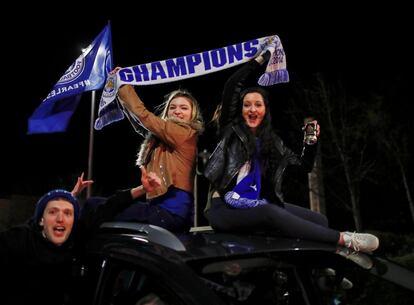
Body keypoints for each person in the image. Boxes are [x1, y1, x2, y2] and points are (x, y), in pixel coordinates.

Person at [203, 51, 379, 254]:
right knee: (270, 212)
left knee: (319, 219)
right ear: (240, 111)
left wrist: (310, 142)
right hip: (225, 209)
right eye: (247, 105)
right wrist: (258, 61)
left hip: (257, 204)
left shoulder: (271, 142)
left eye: (258, 105)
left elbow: (303, 166)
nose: (252, 109)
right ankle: (346, 240)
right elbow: (231, 86)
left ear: (265, 111)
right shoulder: (230, 131)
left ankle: (319, 266)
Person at [0, 168, 161, 305]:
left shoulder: (75, 235)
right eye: (53, 212)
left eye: (68, 213)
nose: (61, 218)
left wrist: (142, 189)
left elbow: (109, 207)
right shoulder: (18, 240)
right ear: (41, 220)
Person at [107, 73, 204, 232]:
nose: (177, 111)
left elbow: (144, 117)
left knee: (100, 206)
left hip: (173, 209)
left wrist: (123, 84)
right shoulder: (162, 138)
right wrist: (121, 95)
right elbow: (141, 125)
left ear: (192, 115)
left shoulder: (185, 133)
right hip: (160, 207)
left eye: (184, 108)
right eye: (172, 107)